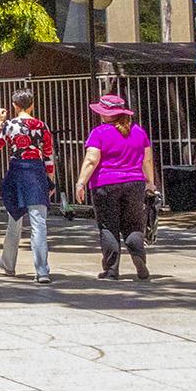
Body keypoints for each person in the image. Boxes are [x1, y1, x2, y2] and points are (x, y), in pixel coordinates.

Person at [74, 94, 157, 281]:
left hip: (105, 184)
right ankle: (139, 258)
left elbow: (91, 160)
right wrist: (150, 183)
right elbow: (147, 159)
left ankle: (111, 270)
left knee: (108, 226)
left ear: (106, 114)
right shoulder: (139, 132)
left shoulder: (99, 133)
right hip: (135, 184)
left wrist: (81, 183)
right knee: (134, 225)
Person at [0, 89, 54, 284]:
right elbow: (49, 154)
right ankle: (42, 270)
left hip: (17, 173)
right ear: (32, 105)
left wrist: (0, 121)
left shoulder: (9, 125)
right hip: (36, 173)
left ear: (15, 106)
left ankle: (8, 264)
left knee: (14, 219)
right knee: (39, 223)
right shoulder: (41, 126)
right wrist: (50, 181)